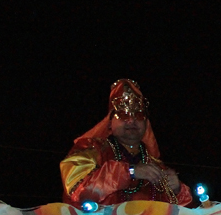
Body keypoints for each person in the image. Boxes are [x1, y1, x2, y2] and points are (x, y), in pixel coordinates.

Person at [60, 79, 193, 207]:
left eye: (139, 116)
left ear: (146, 124)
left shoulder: (155, 166)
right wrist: (130, 172)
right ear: (109, 123)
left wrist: (178, 190)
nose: (131, 121)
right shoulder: (91, 149)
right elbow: (77, 189)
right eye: (124, 115)